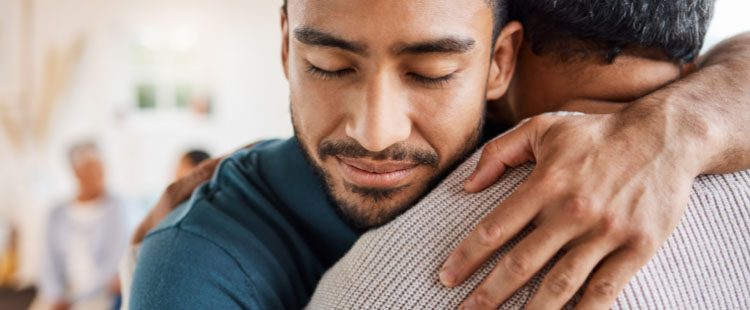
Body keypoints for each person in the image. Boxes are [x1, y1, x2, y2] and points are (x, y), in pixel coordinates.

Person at [128, 0, 750, 309]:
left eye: (431, 73)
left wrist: (671, 130)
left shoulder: (547, 132)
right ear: (287, 45)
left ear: (499, 64)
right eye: (329, 65)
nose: (375, 132)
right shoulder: (194, 263)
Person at [40, 142, 128, 310]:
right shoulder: (56, 213)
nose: (100, 174)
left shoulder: (117, 207)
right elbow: (48, 263)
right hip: (63, 296)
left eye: (101, 167)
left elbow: (115, 259)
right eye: (91, 168)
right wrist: (56, 296)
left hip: (101, 294)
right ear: (76, 171)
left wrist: (78, 298)